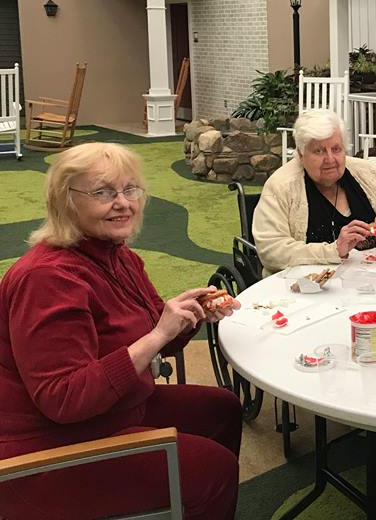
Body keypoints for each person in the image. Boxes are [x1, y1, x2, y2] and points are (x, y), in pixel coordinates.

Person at [0, 142, 242, 520]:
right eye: (103, 192)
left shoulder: (118, 255)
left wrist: (187, 317)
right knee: (214, 471)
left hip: (112, 410)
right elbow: (64, 399)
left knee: (222, 409)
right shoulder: (47, 278)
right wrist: (157, 336)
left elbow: (153, 331)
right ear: (66, 201)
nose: (123, 203)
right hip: (44, 447)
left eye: (130, 189)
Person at [253, 109, 376, 274]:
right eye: (319, 151)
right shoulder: (280, 186)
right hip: (304, 286)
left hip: (373, 280)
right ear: (301, 155)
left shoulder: (368, 173)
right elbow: (271, 251)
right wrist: (333, 251)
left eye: (336, 149)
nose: (330, 159)